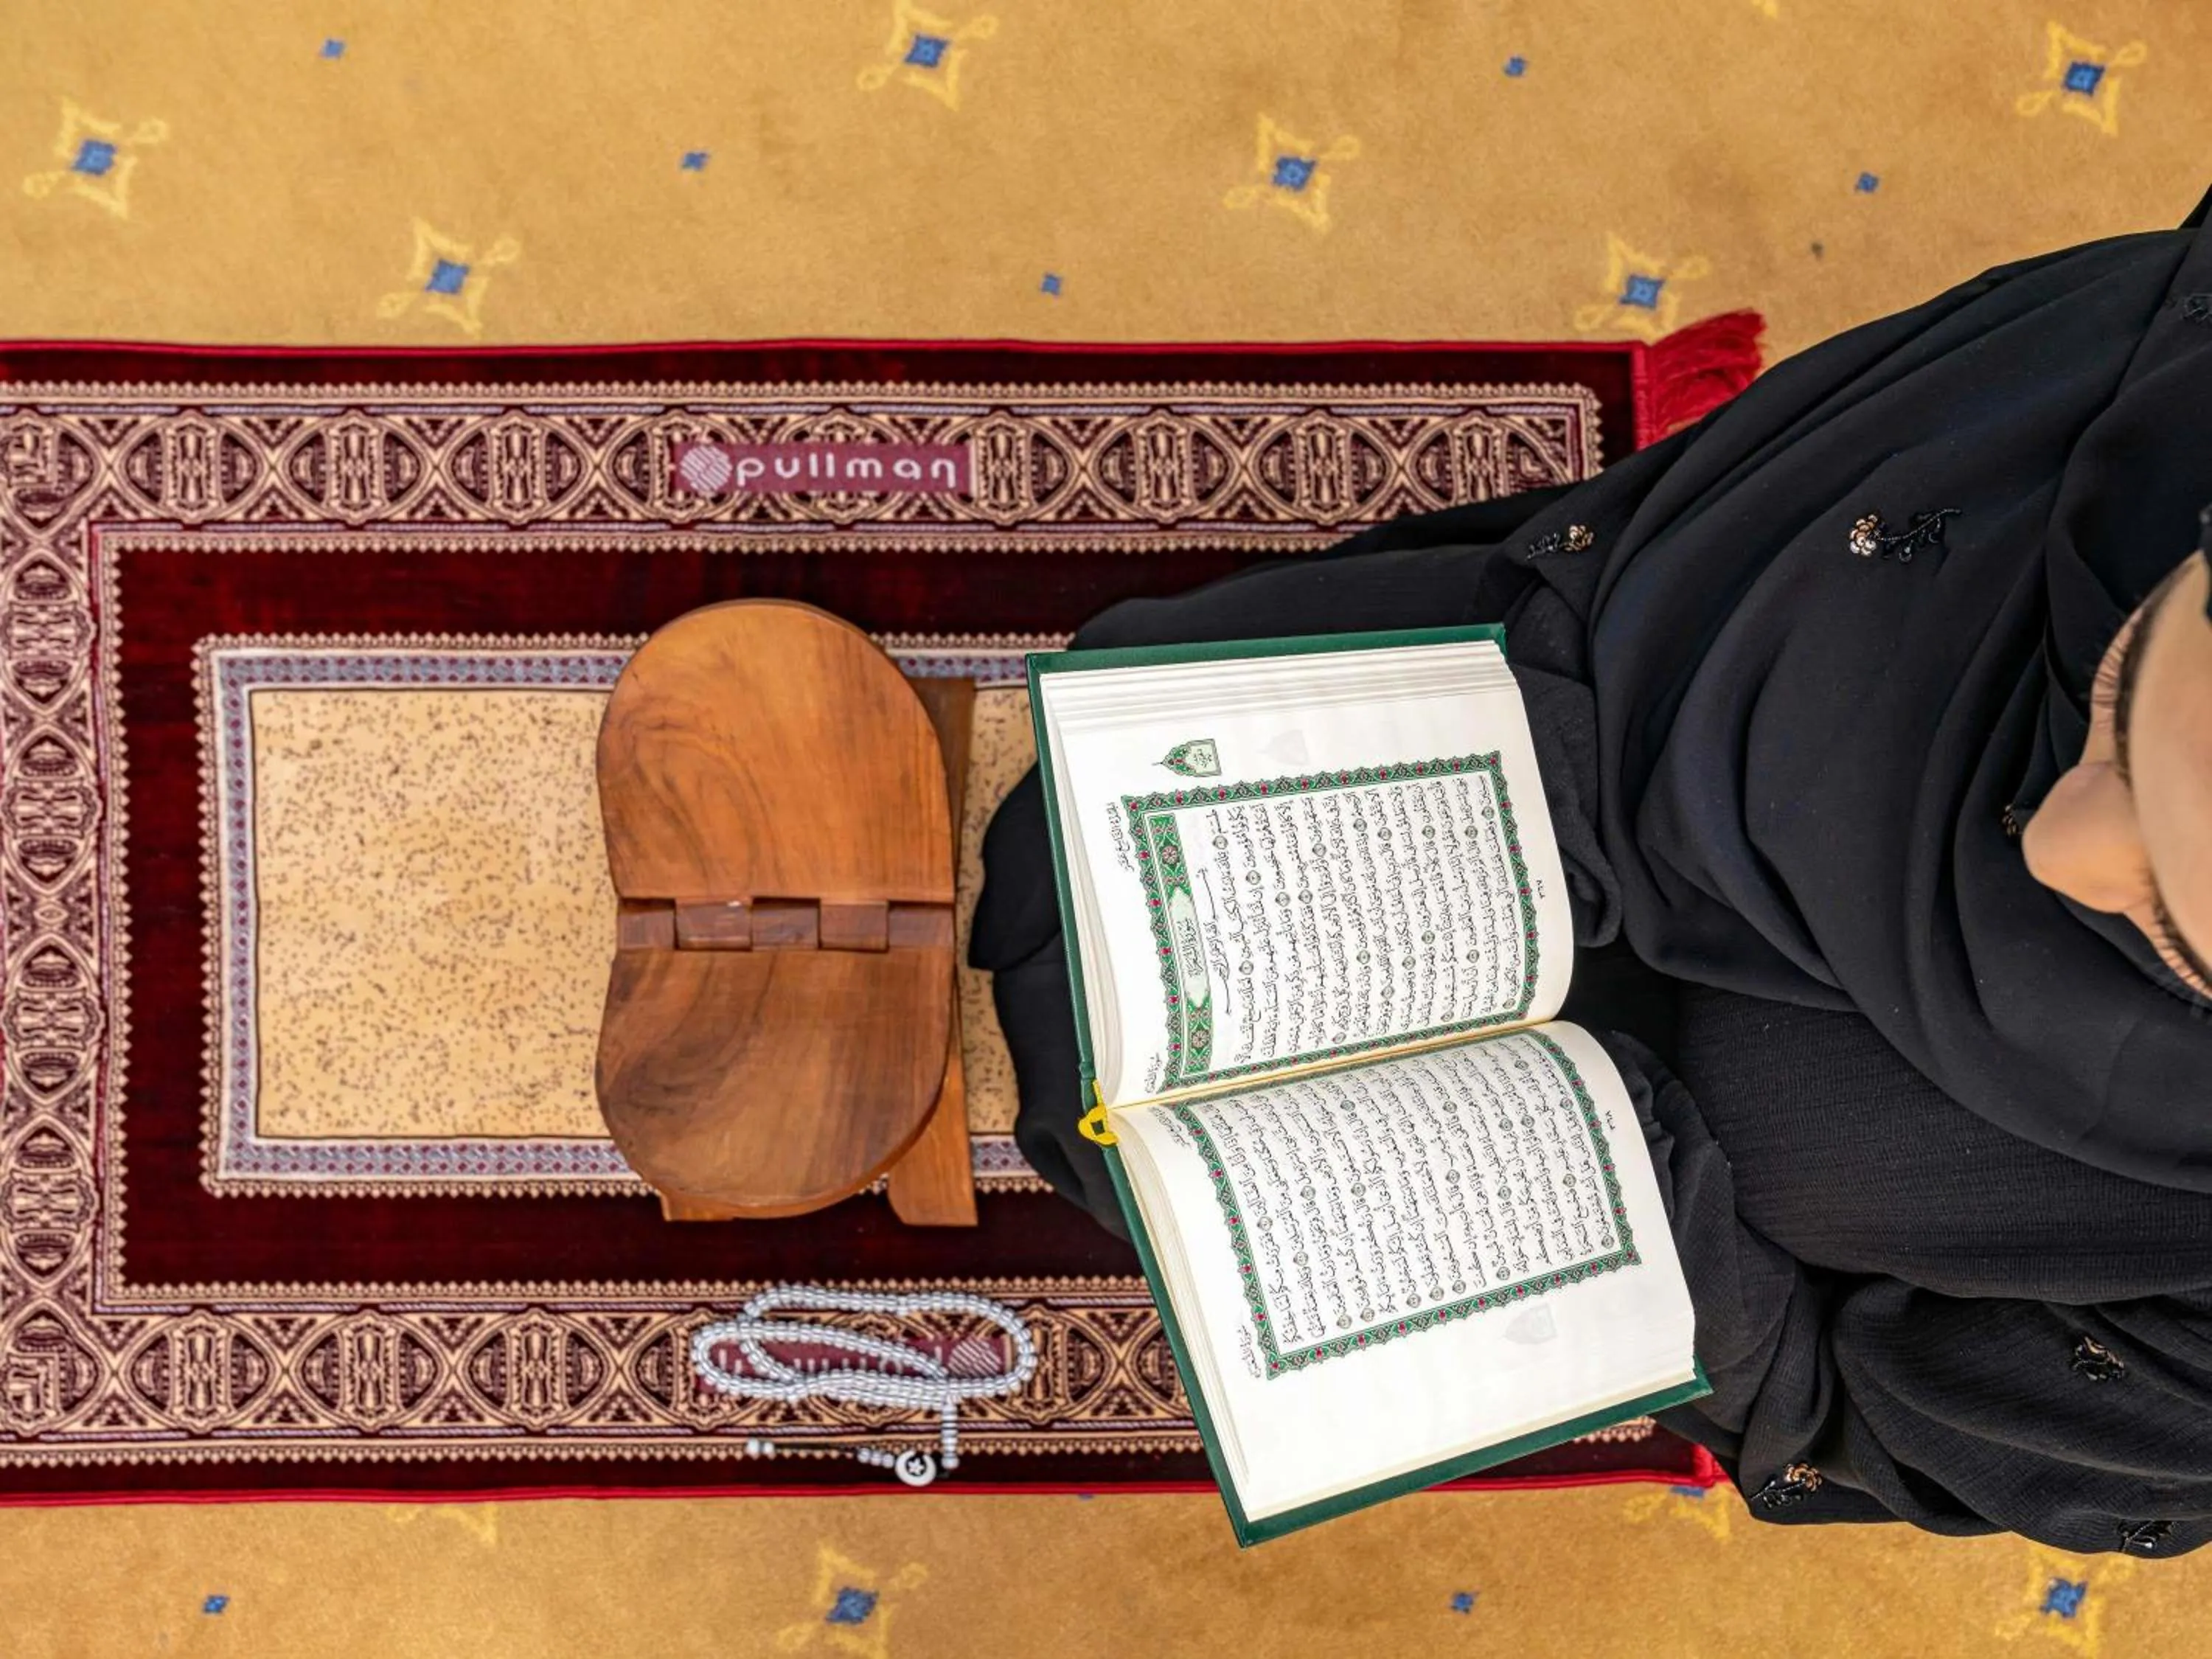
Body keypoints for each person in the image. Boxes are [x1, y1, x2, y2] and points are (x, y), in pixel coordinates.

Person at [969, 191, 2212, 1555]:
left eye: (2175, 924)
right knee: (1097, 845)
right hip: (1592, 702)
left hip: (1641, 1222)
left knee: (1173, 1191)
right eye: (2124, 696)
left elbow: (1901, 1420)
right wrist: (1510, 778)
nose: (2054, 843)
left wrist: (1633, 1246)